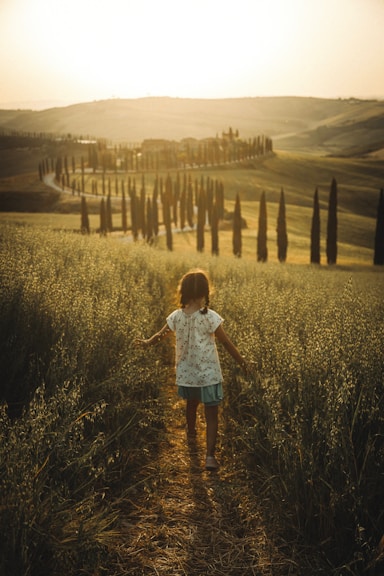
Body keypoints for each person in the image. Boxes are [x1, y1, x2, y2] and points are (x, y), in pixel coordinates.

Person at [135, 268, 248, 471]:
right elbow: (227, 343)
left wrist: (146, 343)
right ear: (205, 292)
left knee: (191, 404)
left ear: (183, 291)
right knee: (212, 415)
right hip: (209, 374)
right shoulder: (210, 317)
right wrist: (243, 362)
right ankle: (210, 457)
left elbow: (159, 336)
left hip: (188, 374)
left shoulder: (177, 316)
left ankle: (191, 434)